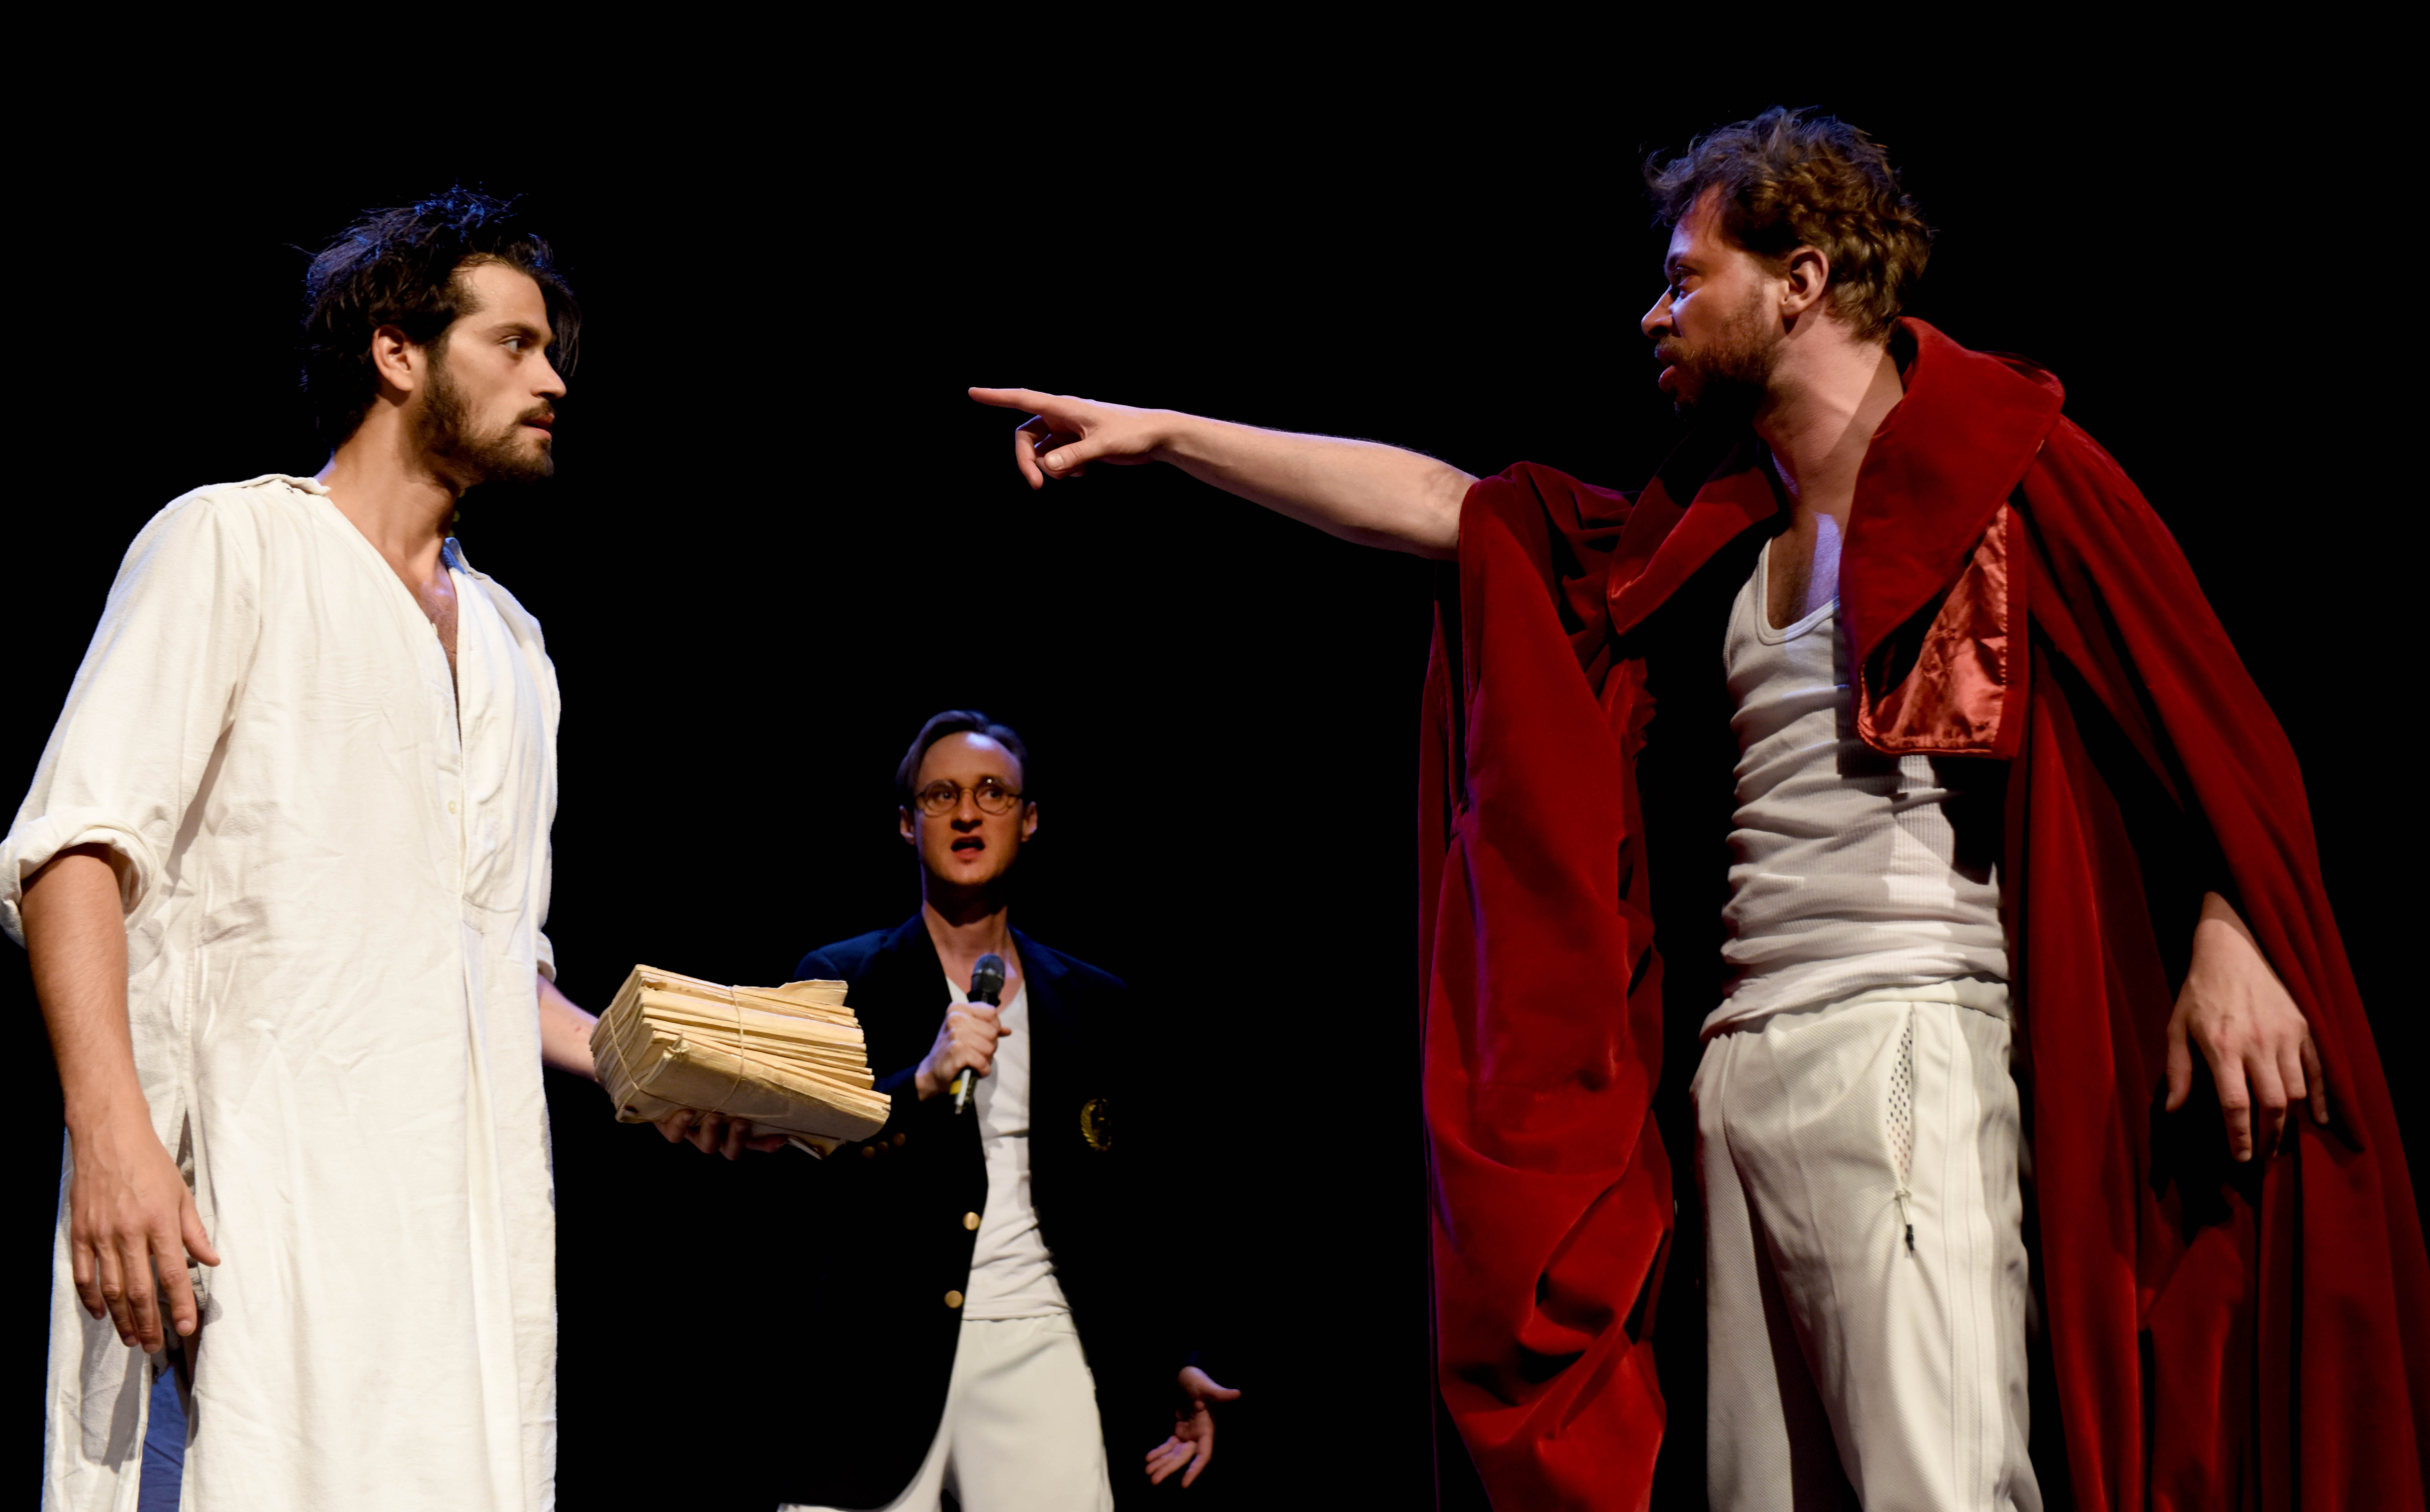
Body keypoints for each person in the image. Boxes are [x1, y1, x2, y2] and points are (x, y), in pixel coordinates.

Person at [970, 110, 2428, 1509]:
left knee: (1937, 1481)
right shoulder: (1711, 528)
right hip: (1743, 1069)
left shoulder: (2009, 469)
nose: (1652, 314)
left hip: (1908, 1038)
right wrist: (1167, 436)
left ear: (1802, 282)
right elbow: (1452, 509)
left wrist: (2233, 924)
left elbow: (2210, 740)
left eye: (1685, 278)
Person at [3, 189, 719, 1512]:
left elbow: (490, 955)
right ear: (398, 351)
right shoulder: (235, 543)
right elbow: (74, 851)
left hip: (456, 1266)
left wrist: (642, 1067)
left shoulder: (515, 649)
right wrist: (110, 1135)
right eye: (514, 343)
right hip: (244, 1233)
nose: (553, 380)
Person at [763, 710, 1233, 1512]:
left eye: (993, 792)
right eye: (940, 795)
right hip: (873, 1355)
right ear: (907, 823)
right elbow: (800, 1169)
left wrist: (1174, 1354)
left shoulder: (1092, 1002)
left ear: (1030, 817)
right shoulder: (841, 980)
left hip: (1035, 1337)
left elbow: (1133, 1206)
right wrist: (919, 1082)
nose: (968, 813)